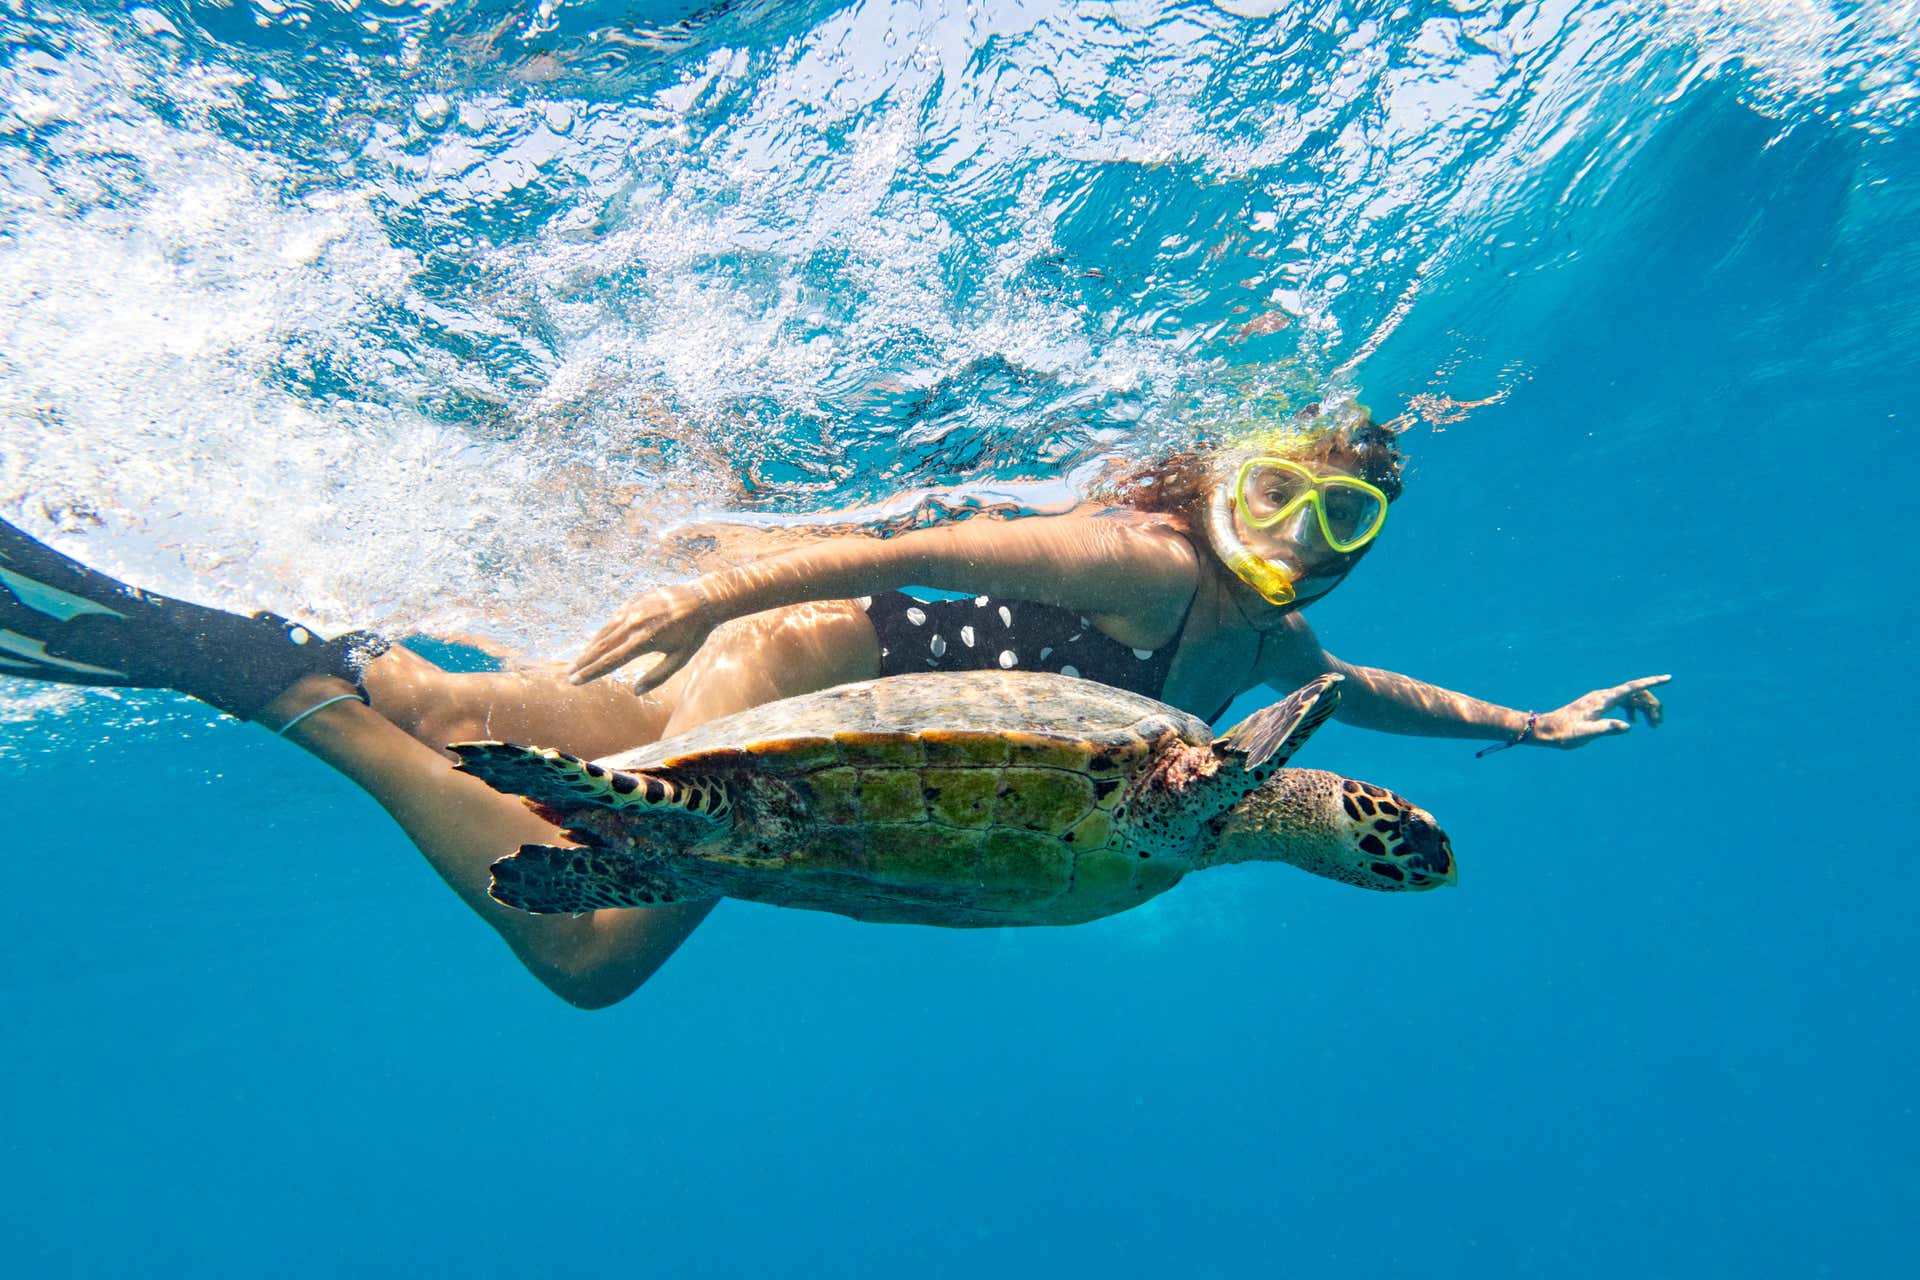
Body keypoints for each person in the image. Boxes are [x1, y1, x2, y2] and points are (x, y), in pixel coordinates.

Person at [0, 405, 1666, 1008]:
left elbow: (1364, 692)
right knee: (591, 949)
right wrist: (709, 589)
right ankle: (282, 686)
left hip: (843, 716)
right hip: (811, 678)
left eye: (1347, 521)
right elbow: (910, 541)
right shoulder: (1144, 561)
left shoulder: (1263, 663)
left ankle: (296, 640)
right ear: (1231, 473)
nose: (1303, 531)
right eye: (1290, 486)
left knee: (493, 707)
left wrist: (1531, 728)